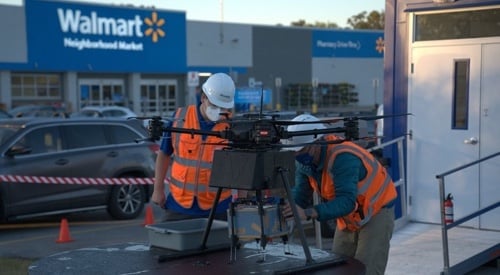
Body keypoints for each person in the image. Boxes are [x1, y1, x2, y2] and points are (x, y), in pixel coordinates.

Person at [282, 114, 397, 275]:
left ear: (317, 143)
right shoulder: (304, 162)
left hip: (376, 211)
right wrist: (290, 208)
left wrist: (309, 213)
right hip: (350, 216)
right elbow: (300, 194)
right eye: (294, 152)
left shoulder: (343, 157)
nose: (297, 155)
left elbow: (347, 202)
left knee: (367, 269)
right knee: (338, 268)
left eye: (301, 150)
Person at [151, 72, 236, 221]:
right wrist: (157, 190)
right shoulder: (180, 118)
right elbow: (164, 154)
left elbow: (240, 166)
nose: (220, 112)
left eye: (224, 108)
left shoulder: (232, 127)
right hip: (179, 204)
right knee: (166, 242)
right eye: (215, 105)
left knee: (221, 244)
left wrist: (242, 200)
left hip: (218, 207)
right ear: (203, 98)